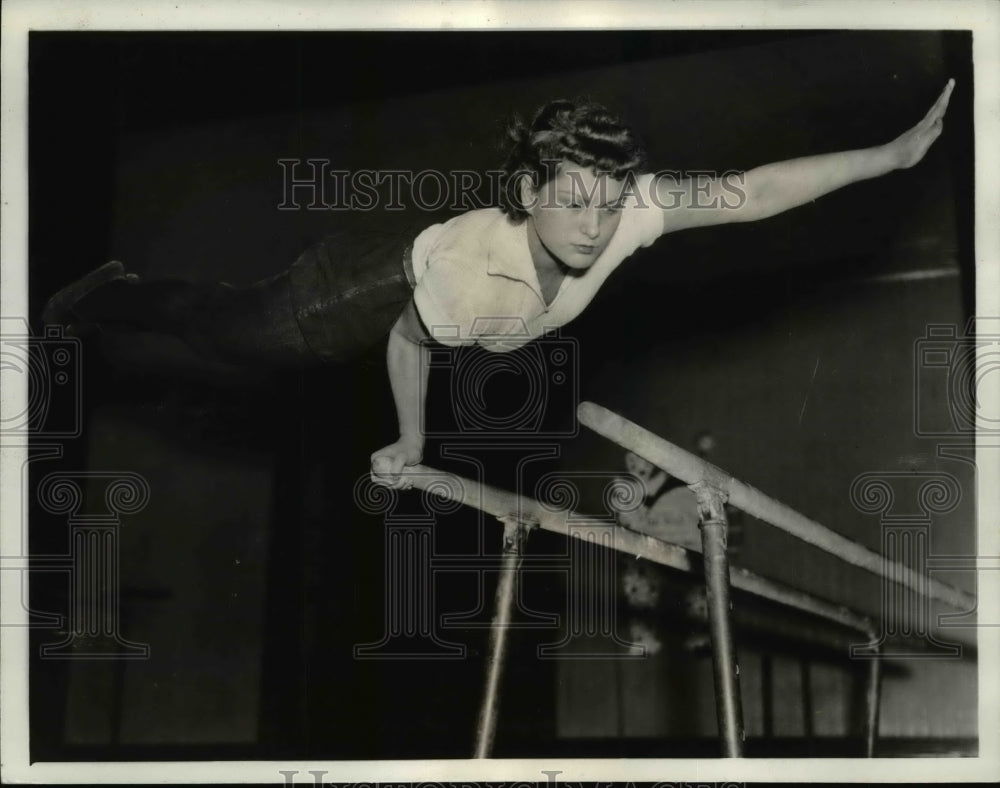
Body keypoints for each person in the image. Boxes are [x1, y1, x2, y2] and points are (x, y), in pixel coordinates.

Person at [42, 80, 955, 488]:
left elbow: (754, 191)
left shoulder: (631, 209)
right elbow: (406, 338)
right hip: (350, 293)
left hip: (425, 258)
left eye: (608, 205)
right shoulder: (485, 273)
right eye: (573, 207)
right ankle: (107, 294)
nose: (596, 229)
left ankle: (122, 292)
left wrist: (891, 154)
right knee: (222, 329)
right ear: (528, 194)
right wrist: (413, 441)